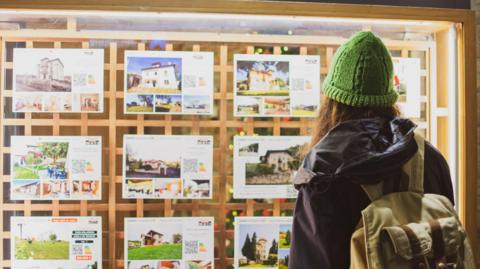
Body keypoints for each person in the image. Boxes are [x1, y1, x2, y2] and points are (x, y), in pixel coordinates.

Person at [288, 31, 454, 269]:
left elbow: (312, 260)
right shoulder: (428, 156)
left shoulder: (323, 168)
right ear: (388, 97)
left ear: (332, 102)